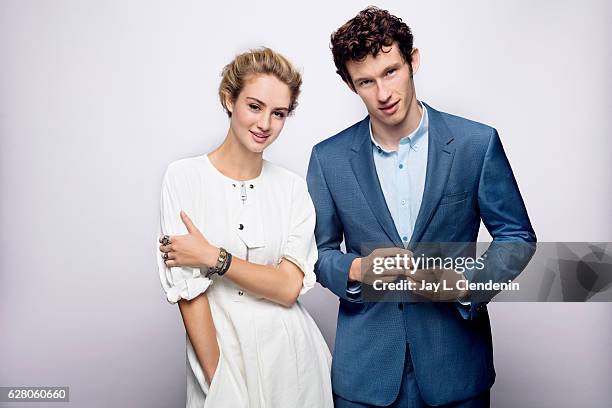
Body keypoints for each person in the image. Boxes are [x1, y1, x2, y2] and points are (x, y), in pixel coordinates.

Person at [306, 7, 536, 408]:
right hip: (365, 375)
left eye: (391, 71)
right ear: (349, 84)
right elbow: (318, 255)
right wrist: (358, 269)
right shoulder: (328, 159)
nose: (383, 94)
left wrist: (468, 284)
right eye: (366, 81)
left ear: (413, 60)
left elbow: (516, 236)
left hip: (456, 368)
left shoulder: (475, 144)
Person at [157, 47, 333, 408]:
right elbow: (189, 293)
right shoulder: (184, 178)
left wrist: (214, 257)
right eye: (255, 106)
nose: (265, 123)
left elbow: (287, 288)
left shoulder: (293, 189)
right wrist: (220, 382)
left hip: (294, 365)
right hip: (222, 361)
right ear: (228, 99)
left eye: (279, 113)